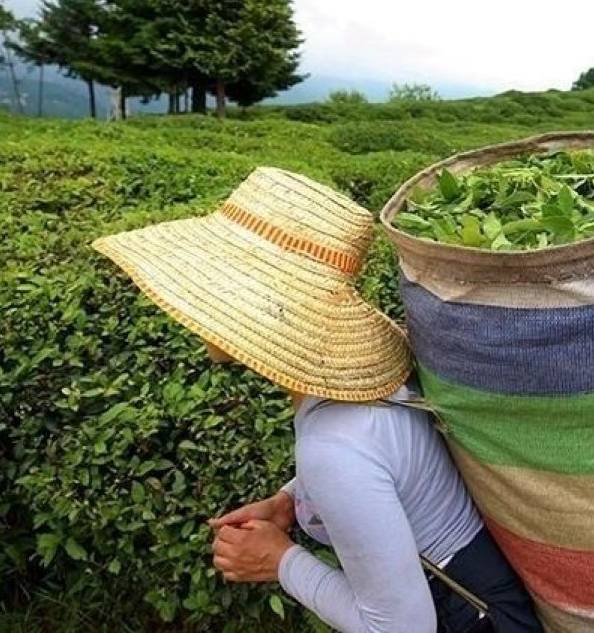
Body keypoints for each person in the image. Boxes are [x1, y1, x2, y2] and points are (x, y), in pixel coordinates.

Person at [92, 167, 543, 633]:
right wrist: (289, 503)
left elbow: (400, 628)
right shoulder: (359, 396)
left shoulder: (333, 447)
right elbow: (386, 467)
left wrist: (279, 561)